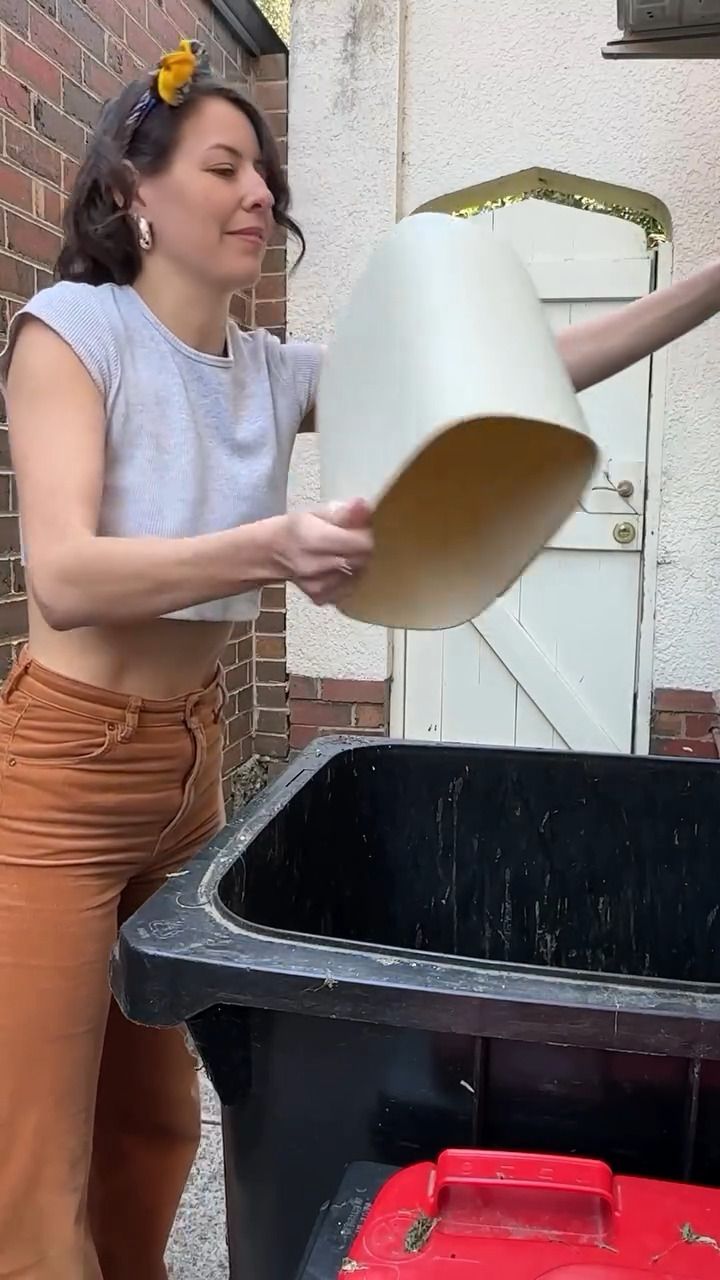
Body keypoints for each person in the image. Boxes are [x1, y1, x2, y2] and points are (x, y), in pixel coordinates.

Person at [1, 35, 719, 1280]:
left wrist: (708, 285)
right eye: (223, 166)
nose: (259, 192)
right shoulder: (73, 332)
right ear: (131, 187)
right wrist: (269, 544)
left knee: (157, 1125)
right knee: (34, 1160)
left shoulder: (270, 372)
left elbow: (519, 371)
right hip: (65, 765)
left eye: (264, 172)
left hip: (191, 760)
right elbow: (64, 573)